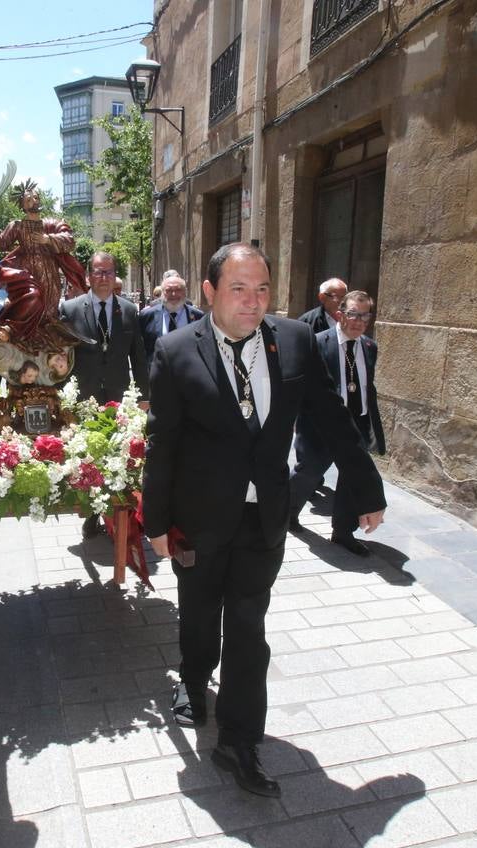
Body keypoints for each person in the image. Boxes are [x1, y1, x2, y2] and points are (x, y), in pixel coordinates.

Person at [142, 243, 385, 798]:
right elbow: (163, 444)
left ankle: (239, 740)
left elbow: (332, 418)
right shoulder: (176, 350)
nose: (253, 303)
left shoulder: (295, 341)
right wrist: (156, 520)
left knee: (249, 627)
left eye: (262, 290)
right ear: (209, 292)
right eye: (238, 290)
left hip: (265, 517)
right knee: (200, 611)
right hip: (198, 519)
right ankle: (195, 678)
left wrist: (366, 485)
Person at [59, 251, 151, 538]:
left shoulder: (128, 310)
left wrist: (144, 395)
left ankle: (117, 515)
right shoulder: (71, 309)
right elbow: (61, 356)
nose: (103, 277)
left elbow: (138, 354)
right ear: (88, 276)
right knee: (87, 456)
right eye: (98, 272)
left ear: (115, 277)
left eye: (109, 272)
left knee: (118, 454)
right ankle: (90, 513)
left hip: (118, 395)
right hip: (84, 395)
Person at [290, 290, 387, 553]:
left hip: (358, 423)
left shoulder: (369, 346)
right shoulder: (318, 343)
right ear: (340, 314)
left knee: (351, 478)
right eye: (353, 314)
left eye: (365, 316)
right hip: (321, 426)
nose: (358, 321)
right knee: (308, 472)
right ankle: (287, 513)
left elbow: (366, 386)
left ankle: (343, 532)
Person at [0, 179, 88, 350]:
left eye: (35, 198)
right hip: (28, 274)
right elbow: (3, 242)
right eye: (28, 200)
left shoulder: (51, 224)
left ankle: (44, 339)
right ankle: (13, 329)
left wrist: (48, 239)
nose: (34, 201)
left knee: (49, 310)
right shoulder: (17, 226)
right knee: (32, 297)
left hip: (50, 273)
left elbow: (69, 241)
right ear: (23, 206)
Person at [140, 272, 203, 362]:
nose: (173, 294)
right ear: (162, 293)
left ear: (185, 292)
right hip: (157, 373)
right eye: (168, 290)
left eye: (178, 290)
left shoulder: (198, 317)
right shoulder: (147, 317)